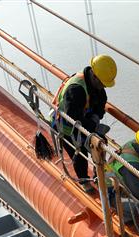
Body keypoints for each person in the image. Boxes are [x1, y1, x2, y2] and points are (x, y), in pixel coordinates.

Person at [51, 55, 117, 193]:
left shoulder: (96, 86)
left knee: (100, 145)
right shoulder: (76, 89)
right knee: (79, 153)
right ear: (94, 76)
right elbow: (72, 117)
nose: (104, 86)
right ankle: (84, 181)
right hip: (68, 127)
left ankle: (99, 177)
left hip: (84, 122)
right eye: (103, 83)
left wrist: (96, 118)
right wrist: (92, 125)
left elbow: (101, 104)